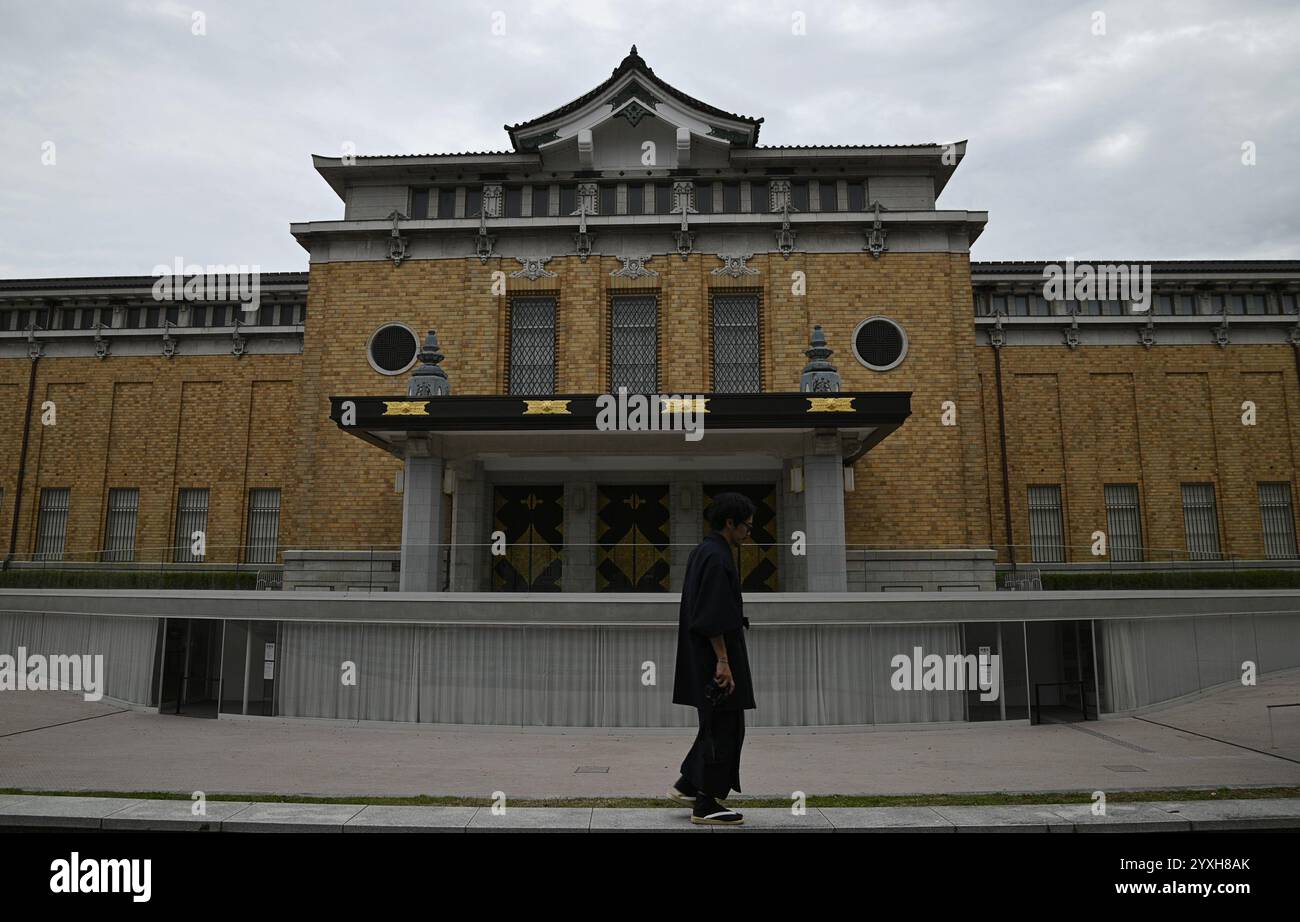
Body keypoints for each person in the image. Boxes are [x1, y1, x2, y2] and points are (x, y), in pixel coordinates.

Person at [668, 491, 756, 825]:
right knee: (726, 728)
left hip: (701, 657)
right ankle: (707, 804)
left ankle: (689, 784)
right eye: (746, 527)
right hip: (715, 660)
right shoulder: (719, 558)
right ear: (730, 523)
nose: (748, 534)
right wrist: (723, 661)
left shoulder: (702, 552)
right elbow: (712, 614)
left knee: (714, 725)